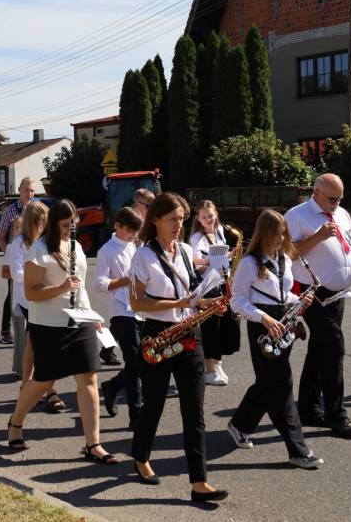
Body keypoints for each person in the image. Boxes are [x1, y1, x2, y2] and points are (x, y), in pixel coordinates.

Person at [128, 192, 227, 502]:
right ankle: (140, 456)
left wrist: (208, 303)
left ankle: (199, 482)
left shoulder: (184, 250)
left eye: (182, 219)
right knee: (154, 404)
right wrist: (178, 303)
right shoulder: (143, 255)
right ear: (156, 219)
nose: (178, 225)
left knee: (194, 410)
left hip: (188, 334)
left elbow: (192, 296)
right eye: (173, 219)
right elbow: (137, 303)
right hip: (158, 335)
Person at [5, 199, 118, 465]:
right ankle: (16, 422)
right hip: (48, 324)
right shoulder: (39, 249)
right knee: (43, 380)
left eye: (73, 224)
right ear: (53, 224)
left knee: (89, 378)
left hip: (79, 320)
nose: (70, 230)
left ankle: (93, 444)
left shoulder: (76, 247)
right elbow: (31, 293)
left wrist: (91, 315)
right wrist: (61, 288)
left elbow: (81, 287)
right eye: (66, 225)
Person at [227, 209, 324, 470]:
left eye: (283, 234)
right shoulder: (250, 263)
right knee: (282, 386)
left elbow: (282, 294)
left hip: (283, 322)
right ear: (264, 234)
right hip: (262, 325)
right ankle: (298, 450)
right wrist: (263, 318)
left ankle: (239, 424)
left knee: (267, 382)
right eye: (276, 234)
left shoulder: (284, 259)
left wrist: (299, 300)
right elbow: (237, 301)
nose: (281, 239)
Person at [285, 173, 351, 438]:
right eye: (332, 199)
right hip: (312, 291)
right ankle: (336, 415)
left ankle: (308, 407)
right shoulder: (297, 216)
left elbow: (347, 245)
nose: (336, 203)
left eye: (340, 198)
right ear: (315, 192)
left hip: (339, 292)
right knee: (334, 347)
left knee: (320, 348)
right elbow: (288, 254)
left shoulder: (343, 214)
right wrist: (317, 237)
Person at [6, 202, 65, 412]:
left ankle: (36, 387)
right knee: (39, 344)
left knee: (38, 344)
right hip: (29, 300)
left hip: (48, 296)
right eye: (44, 221)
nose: (47, 225)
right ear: (35, 222)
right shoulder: (19, 243)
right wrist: (39, 275)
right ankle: (45, 389)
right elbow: (16, 273)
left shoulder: (49, 241)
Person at [95, 207, 144, 428]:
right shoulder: (106, 250)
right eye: (130, 230)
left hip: (141, 309)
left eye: (135, 231)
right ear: (118, 226)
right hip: (121, 311)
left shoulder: (134, 245)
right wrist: (124, 280)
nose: (133, 235)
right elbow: (99, 284)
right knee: (135, 361)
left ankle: (112, 387)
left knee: (143, 362)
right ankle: (136, 415)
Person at [189, 199, 240, 386]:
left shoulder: (219, 231)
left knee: (223, 326)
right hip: (207, 285)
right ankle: (209, 369)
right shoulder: (197, 237)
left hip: (221, 282)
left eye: (210, 215)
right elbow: (194, 260)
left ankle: (217, 364)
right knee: (210, 329)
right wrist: (208, 261)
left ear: (216, 214)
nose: (208, 219)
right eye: (204, 217)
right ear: (198, 218)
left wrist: (229, 256)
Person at [0, 177, 36, 345]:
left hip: (33, 256)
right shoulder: (10, 211)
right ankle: (5, 331)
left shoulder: (36, 209)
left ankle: (31, 330)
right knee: (12, 294)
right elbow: (0, 236)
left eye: (32, 190)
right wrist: (9, 256)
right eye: (26, 190)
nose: (29, 193)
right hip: (16, 258)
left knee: (32, 292)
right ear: (19, 190)